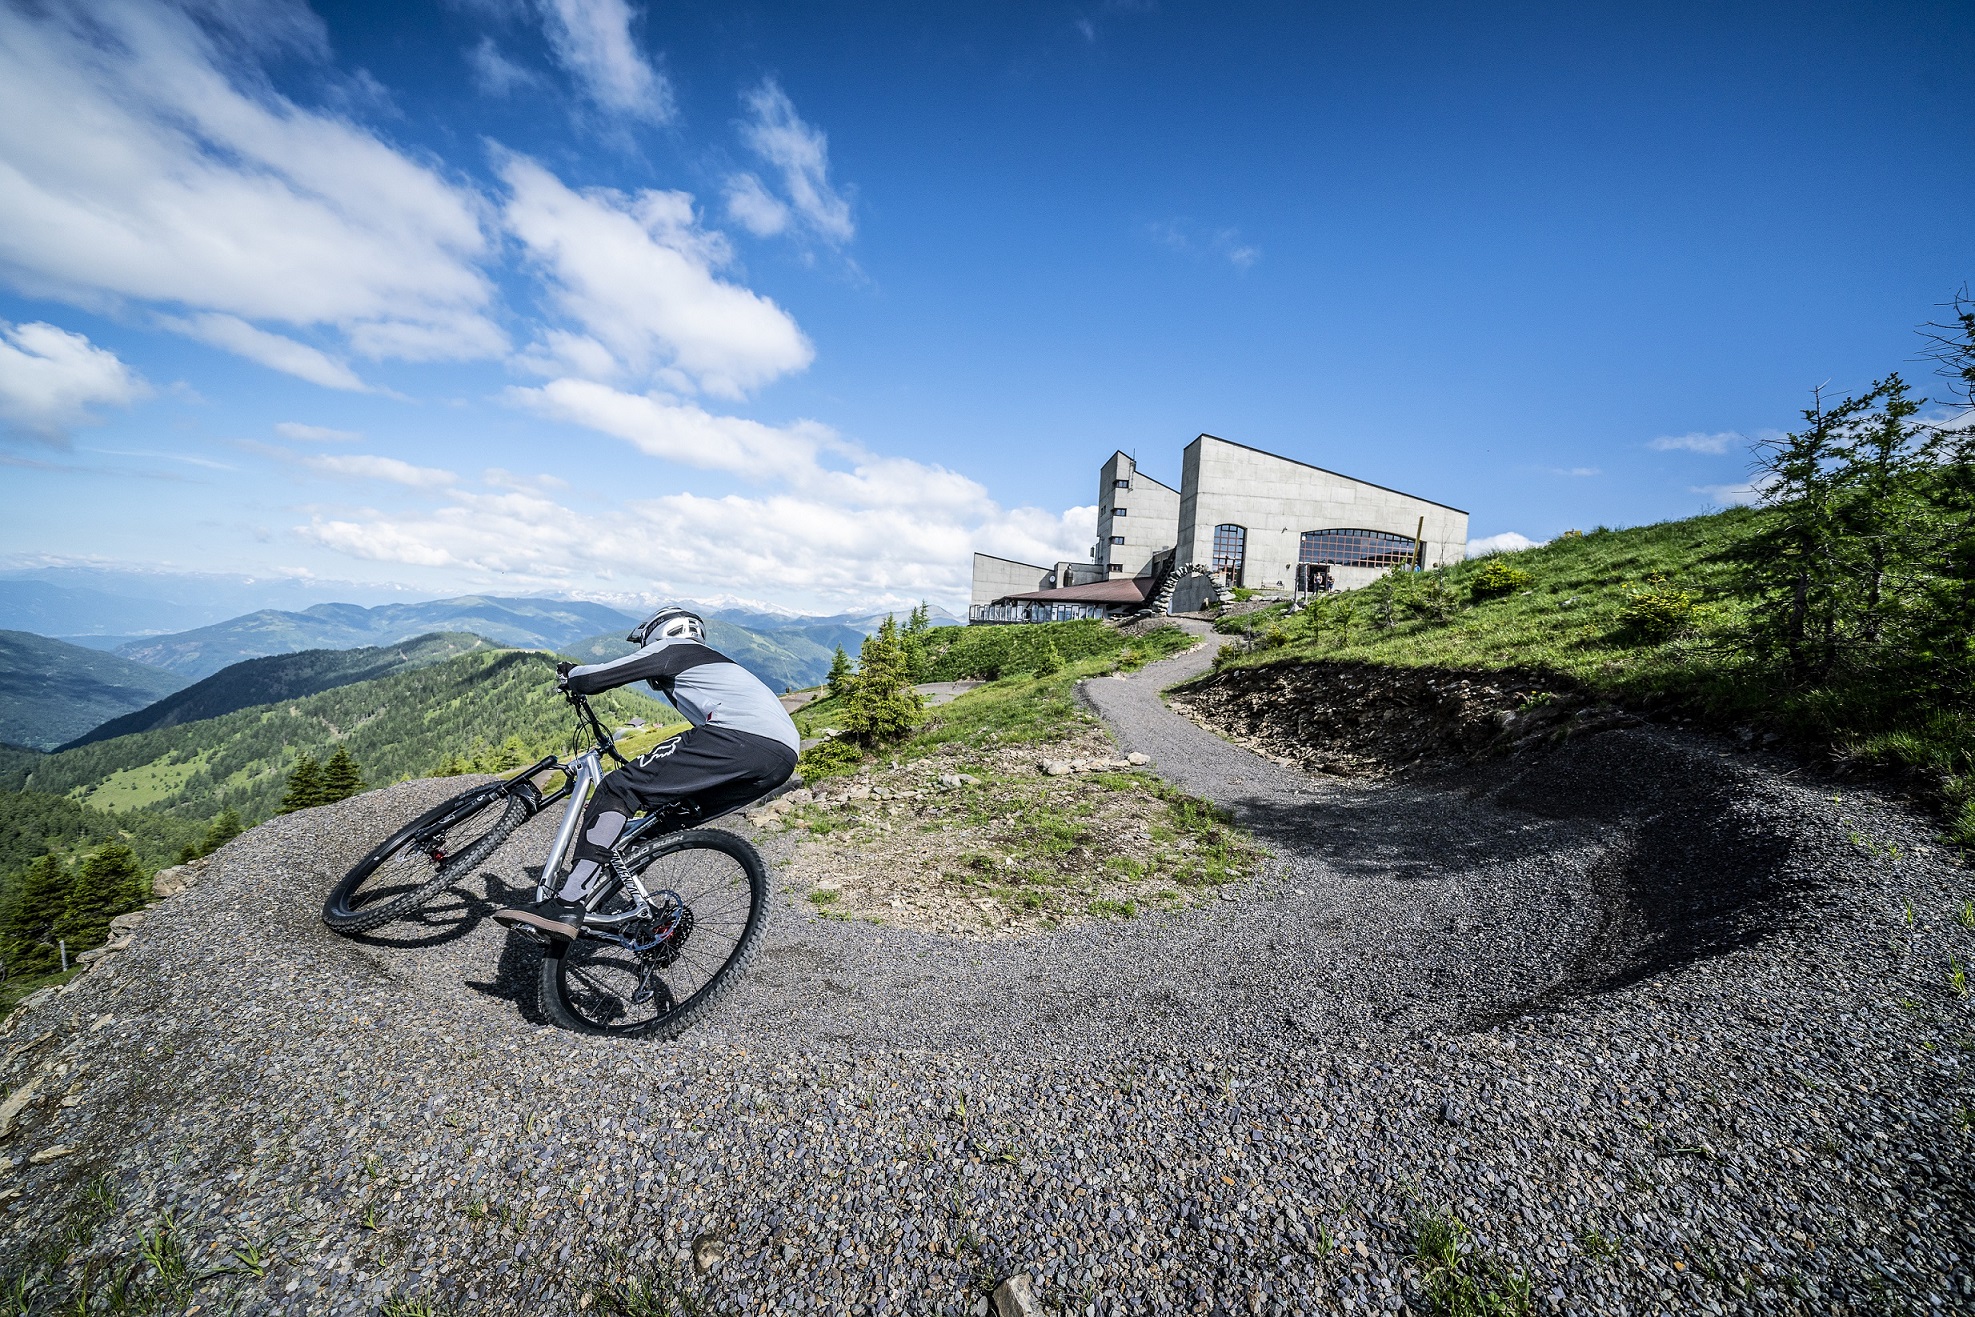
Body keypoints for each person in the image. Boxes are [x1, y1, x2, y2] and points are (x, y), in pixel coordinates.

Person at [493, 606, 799, 942]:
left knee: (618, 788)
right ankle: (634, 919)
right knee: (658, 824)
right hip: (781, 759)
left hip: (739, 737)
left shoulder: (675, 649)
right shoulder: (718, 666)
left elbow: (595, 678)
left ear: (658, 633)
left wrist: (572, 674)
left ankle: (566, 905)